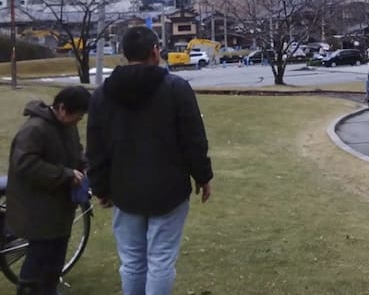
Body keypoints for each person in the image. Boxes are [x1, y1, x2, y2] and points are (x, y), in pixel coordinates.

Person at [86, 26, 213, 295]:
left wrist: (100, 188)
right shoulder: (176, 88)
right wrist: (203, 176)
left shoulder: (102, 94)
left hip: (124, 189)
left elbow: (95, 147)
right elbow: (193, 139)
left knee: (132, 262)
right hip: (169, 188)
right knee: (161, 260)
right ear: (155, 51)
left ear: (124, 54)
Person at [5, 86, 91, 295]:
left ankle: (49, 289)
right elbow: (25, 164)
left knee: (56, 255)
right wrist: (66, 174)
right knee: (38, 258)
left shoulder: (66, 127)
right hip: (37, 208)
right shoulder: (35, 130)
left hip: (59, 207)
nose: (78, 120)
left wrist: (83, 165)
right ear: (62, 108)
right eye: (77, 115)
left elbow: (75, 152)